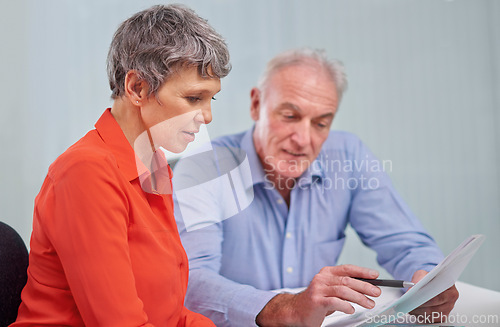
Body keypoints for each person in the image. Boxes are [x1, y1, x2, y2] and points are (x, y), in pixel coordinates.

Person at [172, 48, 458, 327]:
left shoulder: (347, 155)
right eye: (290, 116)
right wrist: (284, 309)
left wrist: (430, 280)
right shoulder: (204, 167)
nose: (303, 139)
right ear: (256, 104)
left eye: (321, 123)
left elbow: (405, 243)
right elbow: (192, 280)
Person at [12, 4, 230, 326]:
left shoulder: (154, 166)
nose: (207, 116)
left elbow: (169, 313)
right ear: (137, 88)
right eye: (194, 98)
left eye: (212, 99)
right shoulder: (85, 172)